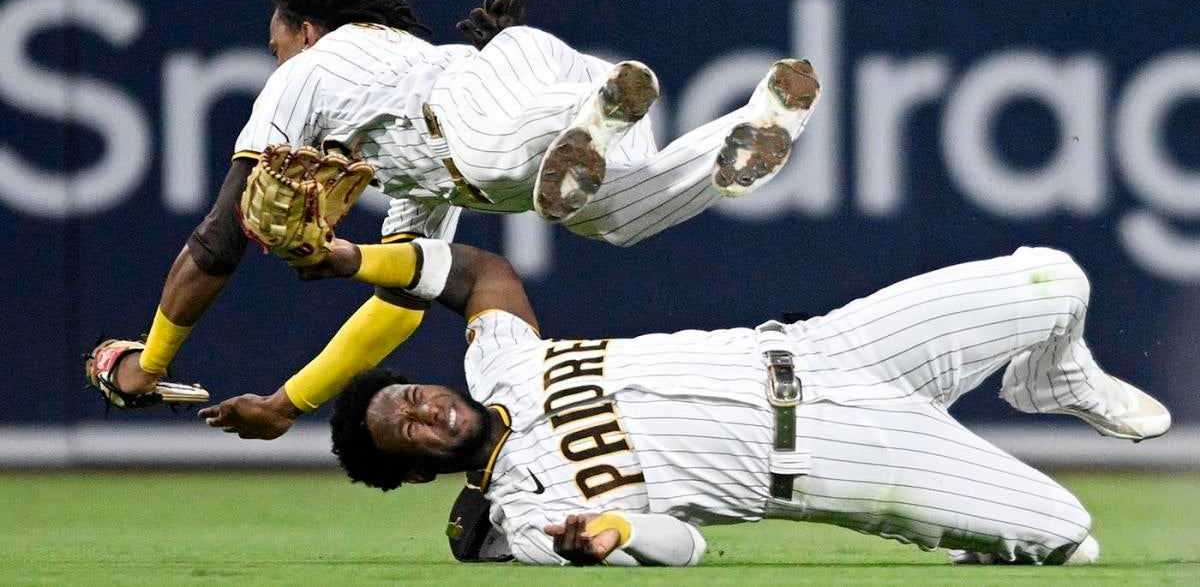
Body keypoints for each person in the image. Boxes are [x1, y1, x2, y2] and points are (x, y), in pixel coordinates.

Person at [92, 0, 821, 436]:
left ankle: (596, 116)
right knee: (617, 217)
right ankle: (741, 129)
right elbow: (405, 296)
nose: (276, 59)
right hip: (534, 88)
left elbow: (218, 237)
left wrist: (150, 363)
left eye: (276, 43)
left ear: (305, 30)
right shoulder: (387, 133)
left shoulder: (312, 69)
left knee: (489, 155)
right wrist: (289, 401)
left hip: (495, 103)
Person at [307, 235, 1169, 566]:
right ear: (417, 472)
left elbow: (483, 274)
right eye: (408, 432)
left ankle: (1054, 379)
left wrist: (354, 258)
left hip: (830, 346)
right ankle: (978, 536)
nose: (424, 413)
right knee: (1068, 536)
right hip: (837, 465)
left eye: (411, 396)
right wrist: (610, 534)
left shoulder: (503, 365)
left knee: (1055, 277)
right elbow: (684, 547)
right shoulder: (533, 511)